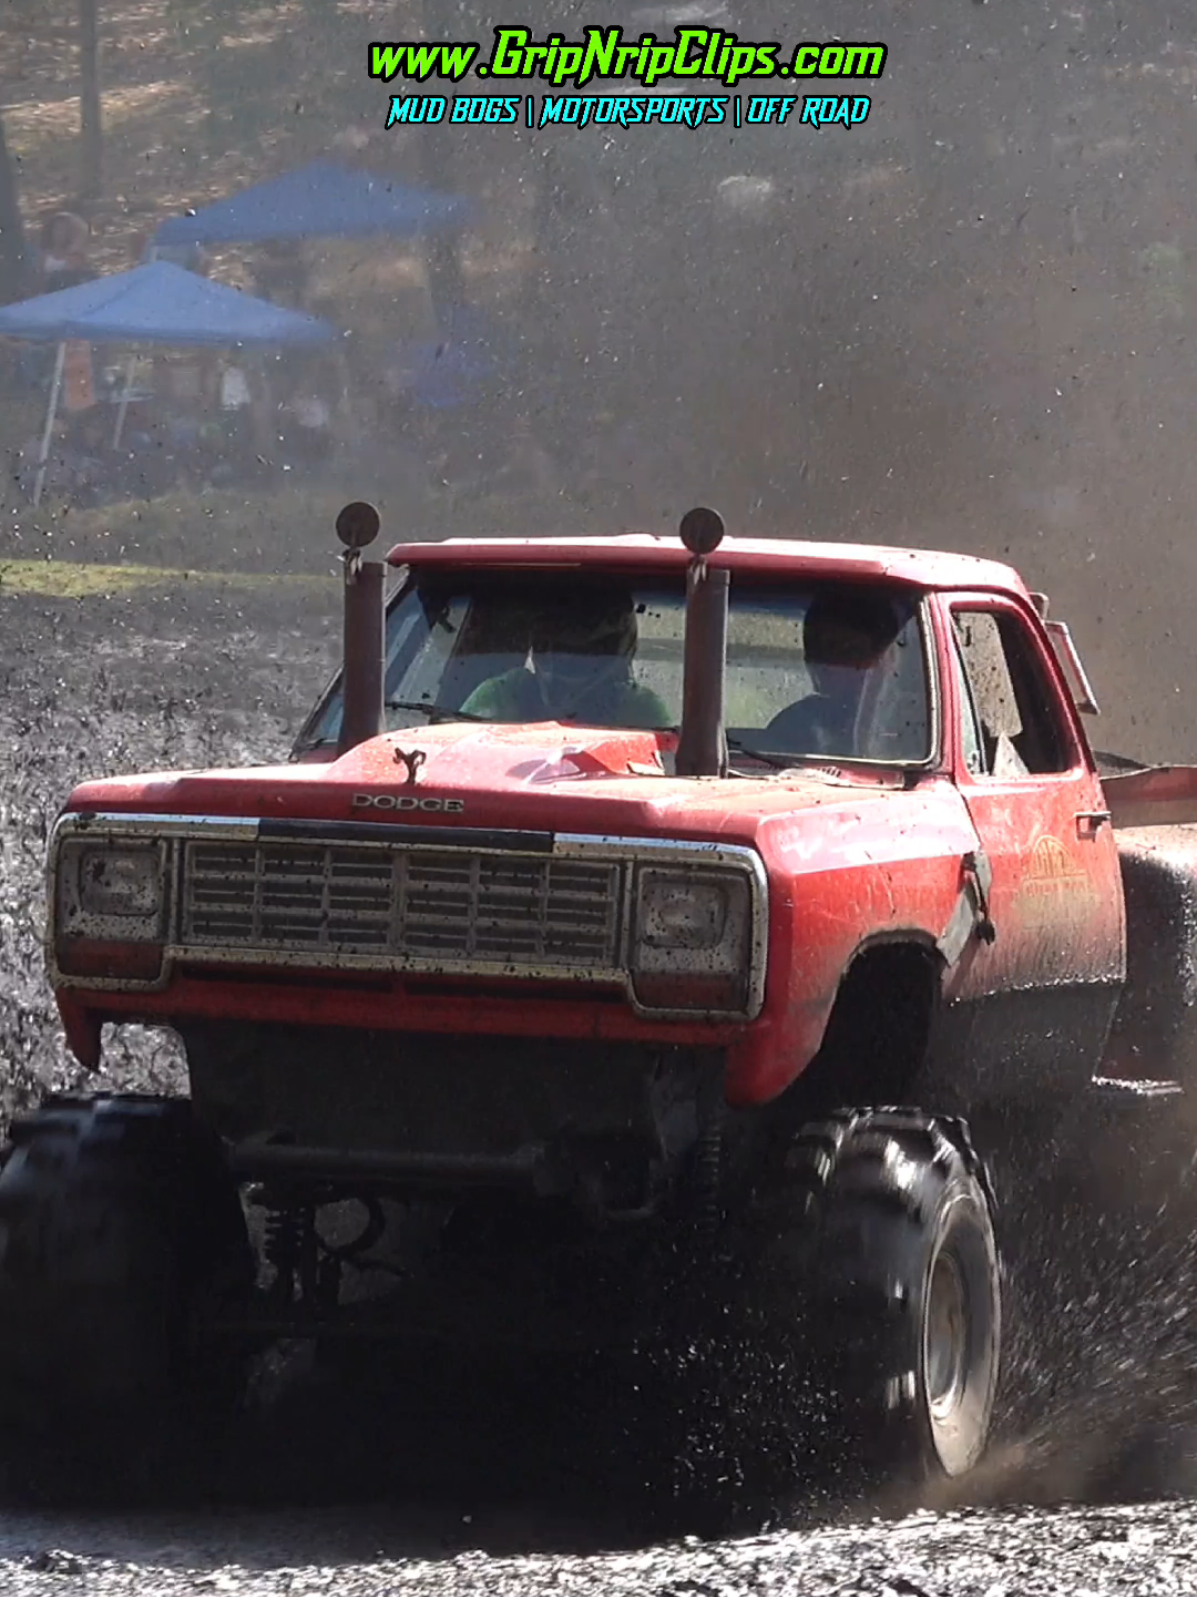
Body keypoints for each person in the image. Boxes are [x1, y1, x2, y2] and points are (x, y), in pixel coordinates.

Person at [461, 590, 671, 728]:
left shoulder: (639, 710)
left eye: (593, 651)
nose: (575, 660)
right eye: (562, 648)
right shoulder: (501, 698)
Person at [766, 589, 907, 757]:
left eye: (848, 651)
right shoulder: (795, 724)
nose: (827, 666)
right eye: (817, 652)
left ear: (888, 659)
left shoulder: (913, 725)